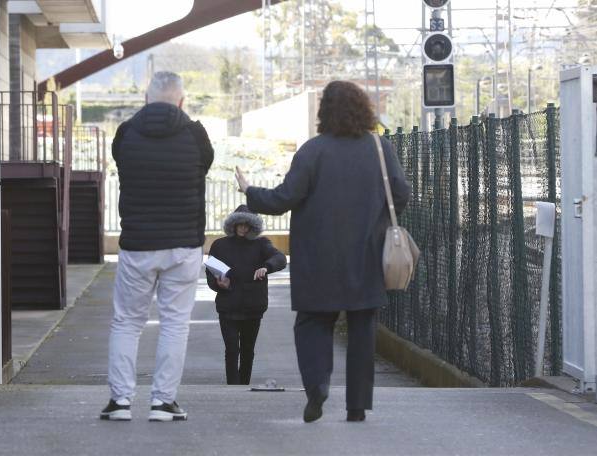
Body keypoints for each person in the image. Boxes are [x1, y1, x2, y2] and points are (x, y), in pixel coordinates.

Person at [234, 80, 410, 423]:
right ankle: (357, 406)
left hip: (317, 256)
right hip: (367, 253)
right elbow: (400, 194)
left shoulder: (313, 151)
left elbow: (284, 198)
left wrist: (249, 190)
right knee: (362, 327)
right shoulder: (380, 147)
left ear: (324, 112)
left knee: (313, 323)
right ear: (363, 108)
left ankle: (317, 387)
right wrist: (374, 220)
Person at [101, 71, 214, 422]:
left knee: (127, 323)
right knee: (175, 324)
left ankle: (120, 402)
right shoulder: (196, 134)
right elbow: (205, 165)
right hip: (183, 245)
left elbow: (121, 161)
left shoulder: (126, 133)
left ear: (146, 99)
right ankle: (163, 402)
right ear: (181, 100)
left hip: (138, 244)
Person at [205, 205, 287, 385]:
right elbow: (211, 273)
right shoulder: (220, 245)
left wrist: (267, 267)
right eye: (239, 224)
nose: (242, 228)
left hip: (253, 307)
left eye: (246, 224)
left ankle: (244, 385)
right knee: (232, 349)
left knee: (248, 349)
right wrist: (219, 284)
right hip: (228, 306)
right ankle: (233, 386)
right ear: (232, 225)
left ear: (253, 226)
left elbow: (280, 259)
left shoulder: (261, 244)